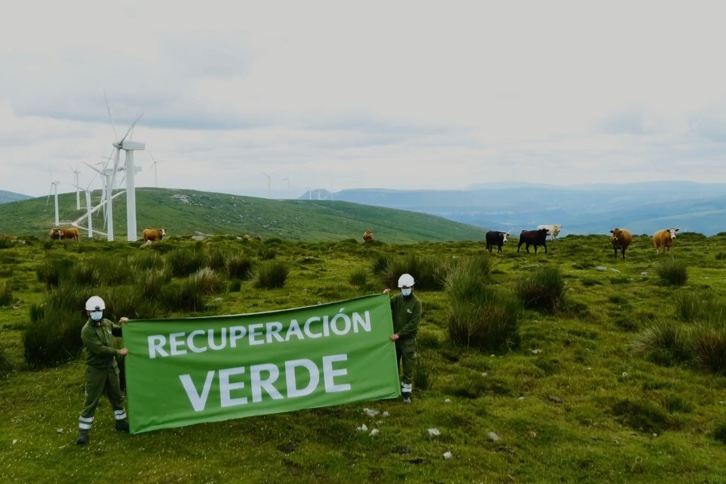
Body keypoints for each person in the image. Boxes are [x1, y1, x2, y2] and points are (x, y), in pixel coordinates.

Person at [76, 295, 130, 445]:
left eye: (99, 310)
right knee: (91, 399)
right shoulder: (86, 331)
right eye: (93, 311)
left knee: (117, 396)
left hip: (111, 368)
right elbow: (99, 349)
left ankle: (121, 422)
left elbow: (118, 331)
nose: (97, 313)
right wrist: (118, 352)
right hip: (96, 369)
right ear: (88, 312)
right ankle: (83, 432)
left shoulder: (107, 324)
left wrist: (127, 324)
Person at [383, 273, 422, 404]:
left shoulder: (417, 303)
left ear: (412, 287)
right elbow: (384, 307)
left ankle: (406, 394)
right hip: (395, 340)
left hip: (408, 341)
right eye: (402, 288)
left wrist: (399, 334)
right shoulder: (397, 299)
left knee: (407, 368)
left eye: (407, 288)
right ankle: (392, 391)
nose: (405, 290)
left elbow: (413, 324)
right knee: (393, 366)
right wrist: (384, 297)